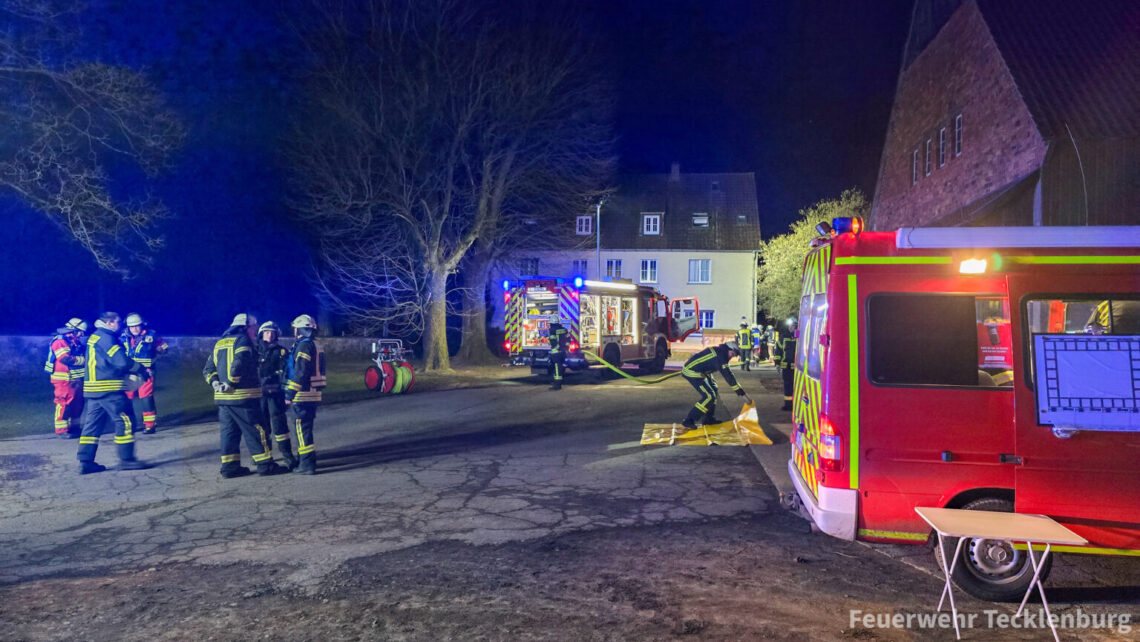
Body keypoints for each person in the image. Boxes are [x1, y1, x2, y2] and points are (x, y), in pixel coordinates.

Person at [203, 314, 286, 478]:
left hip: (223, 400)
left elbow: (207, 369)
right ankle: (265, 465)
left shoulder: (220, 343)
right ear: (245, 327)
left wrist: (215, 383)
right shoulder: (243, 341)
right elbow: (239, 363)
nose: (255, 331)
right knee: (257, 429)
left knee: (229, 433)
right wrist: (231, 383)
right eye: (254, 327)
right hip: (243, 396)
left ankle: (230, 467)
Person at [77, 312, 152, 474]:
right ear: (110, 322)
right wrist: (140, 369)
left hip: (93, 390)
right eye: (118, 322)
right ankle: (127, 459)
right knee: (125, 421)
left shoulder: (94, 337)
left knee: (91, 427)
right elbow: (121, 361)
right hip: (109, 389)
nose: (121, 325)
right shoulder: (107, 338)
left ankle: (85, 461)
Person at [285, 314, 325, 475]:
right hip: (313, 393)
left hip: (303, 394)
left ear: (299, 329)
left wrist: (290, 393)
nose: (294, 331)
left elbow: (300, 371)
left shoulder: (304, 346)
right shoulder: (316, 344)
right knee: (306, 430)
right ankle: (307, 462)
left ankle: (307, 465)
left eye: (295, 328)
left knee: (302, 431)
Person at [678, 341, 747, 432]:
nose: (731, 357)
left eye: (733, 355)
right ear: (728, 349)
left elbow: (726, 372)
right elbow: (727, 374)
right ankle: (689, 420)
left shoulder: (720, 352)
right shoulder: (720, 356)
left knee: (714, 388)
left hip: (702, 372)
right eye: (732, 354)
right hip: (692, 372)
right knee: (709, 396)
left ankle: (708, 419)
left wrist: (738, 389)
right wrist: (738, 390)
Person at [257, 320, 298, 470]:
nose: (270, 335)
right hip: (259, 396)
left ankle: (288, 456)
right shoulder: (254, 351)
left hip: (275, 396)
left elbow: (288, 373)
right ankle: (264, 458)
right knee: (262, 428)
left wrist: (287, 393)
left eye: (272, 333)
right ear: (261, 334)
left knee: (280, 427)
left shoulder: (281, 352)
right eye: (267, 332)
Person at [121, 313, 168, 433]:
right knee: (127, 399)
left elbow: (164, 346)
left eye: (137, 326)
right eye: (132, 327)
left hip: (146, 372)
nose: (135, 329)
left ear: (142, 325)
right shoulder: (122, 336)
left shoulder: (151, 335)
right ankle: (129, 425)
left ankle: (150, 425)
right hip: (128, 373)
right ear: (128, 327)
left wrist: (161, 350)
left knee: (146, 398)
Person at [44, 318, 87, 438]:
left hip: (76, 379)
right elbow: (65, 359)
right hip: (63, 379)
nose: (81, 335)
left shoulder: (74, 341)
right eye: (79, 332)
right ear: (72, 330)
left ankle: (74, 427)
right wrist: (85, 361)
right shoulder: (59, 341)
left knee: (78, 404)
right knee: (64, 403)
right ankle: (61, 430)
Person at [773, 319, 798, 411]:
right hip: (786, 366)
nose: (790, 328)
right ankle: (788, 405)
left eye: (793, 326)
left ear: (796, 327)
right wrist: (777, 363)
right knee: (787, 386)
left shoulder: (800, 337)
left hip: (797, 368)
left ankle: (796, 405)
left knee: (797, 386)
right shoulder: (783, 337)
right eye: (789, 326)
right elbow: (778, 351)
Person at [548, 316, 568, 390]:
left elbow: (553, 341)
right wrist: (566, 346)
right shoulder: (563, 329)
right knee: (560, 368)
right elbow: (568, 338)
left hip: (556, 353)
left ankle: (557, 385)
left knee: (556, 369)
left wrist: (555, 349)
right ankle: (558, 383)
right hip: (563, 352)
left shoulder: (552, 330)